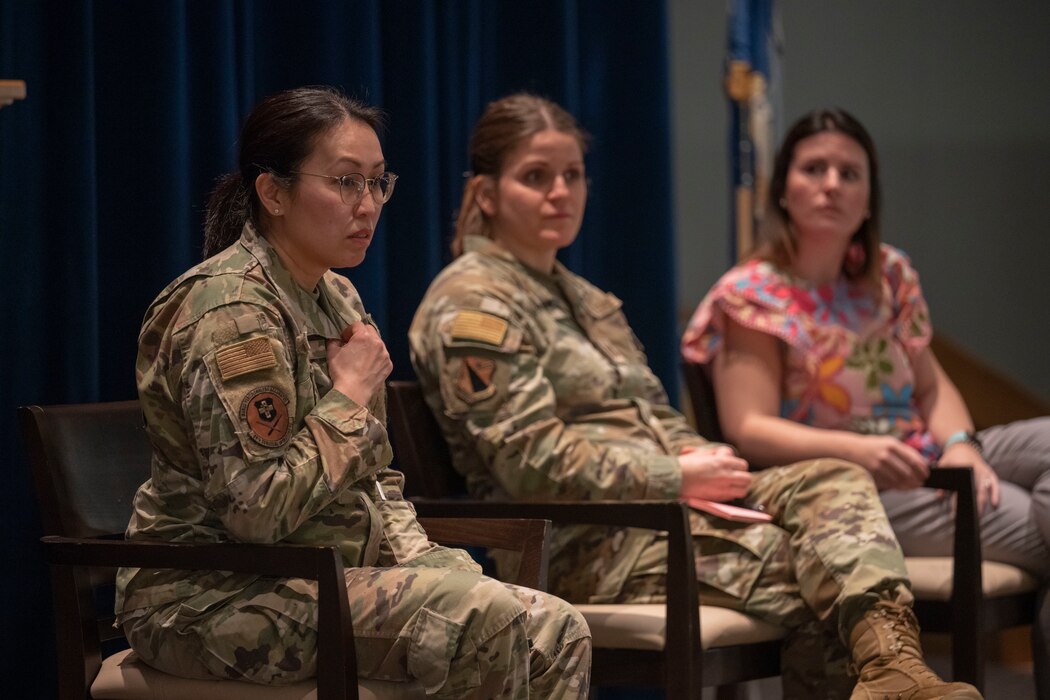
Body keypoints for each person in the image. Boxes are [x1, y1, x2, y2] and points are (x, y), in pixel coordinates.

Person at [409, 93, 982, 700]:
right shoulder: (473, 302)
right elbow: (529, 463)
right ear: (488, 194)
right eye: (536, 177)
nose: (561, 192)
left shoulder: (584, 298)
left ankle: (897, 677)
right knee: (822, 572)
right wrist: (673, 477)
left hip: (663, 511)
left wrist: (710, 468)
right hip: (588, 538)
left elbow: (653, 419)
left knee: (833, 482)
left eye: (573, 175)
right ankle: (895, 683)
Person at [114, 86, 591, 699]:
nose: (367, 205)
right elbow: (256, 512)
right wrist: (349, 394)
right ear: (274, 192)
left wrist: (428, 563)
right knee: (484, 621)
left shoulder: (336, 296)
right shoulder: (231, 309)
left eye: (377, 183)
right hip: (210, 594)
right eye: (344, 183)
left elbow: (376, 478)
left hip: (324, 578)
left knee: (557, 629)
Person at [682, 107, 1050, 697]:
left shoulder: (890, 274)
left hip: (927, 454)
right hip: (850, 490)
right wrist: (860, 450)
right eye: (813, 169)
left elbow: (930, 388)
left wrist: (960, 446)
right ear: (783, 189)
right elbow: (748, 428)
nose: (831, 184)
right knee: (1030, 518)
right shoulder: (752, 294)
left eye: (849, 173)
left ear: (869, 197)